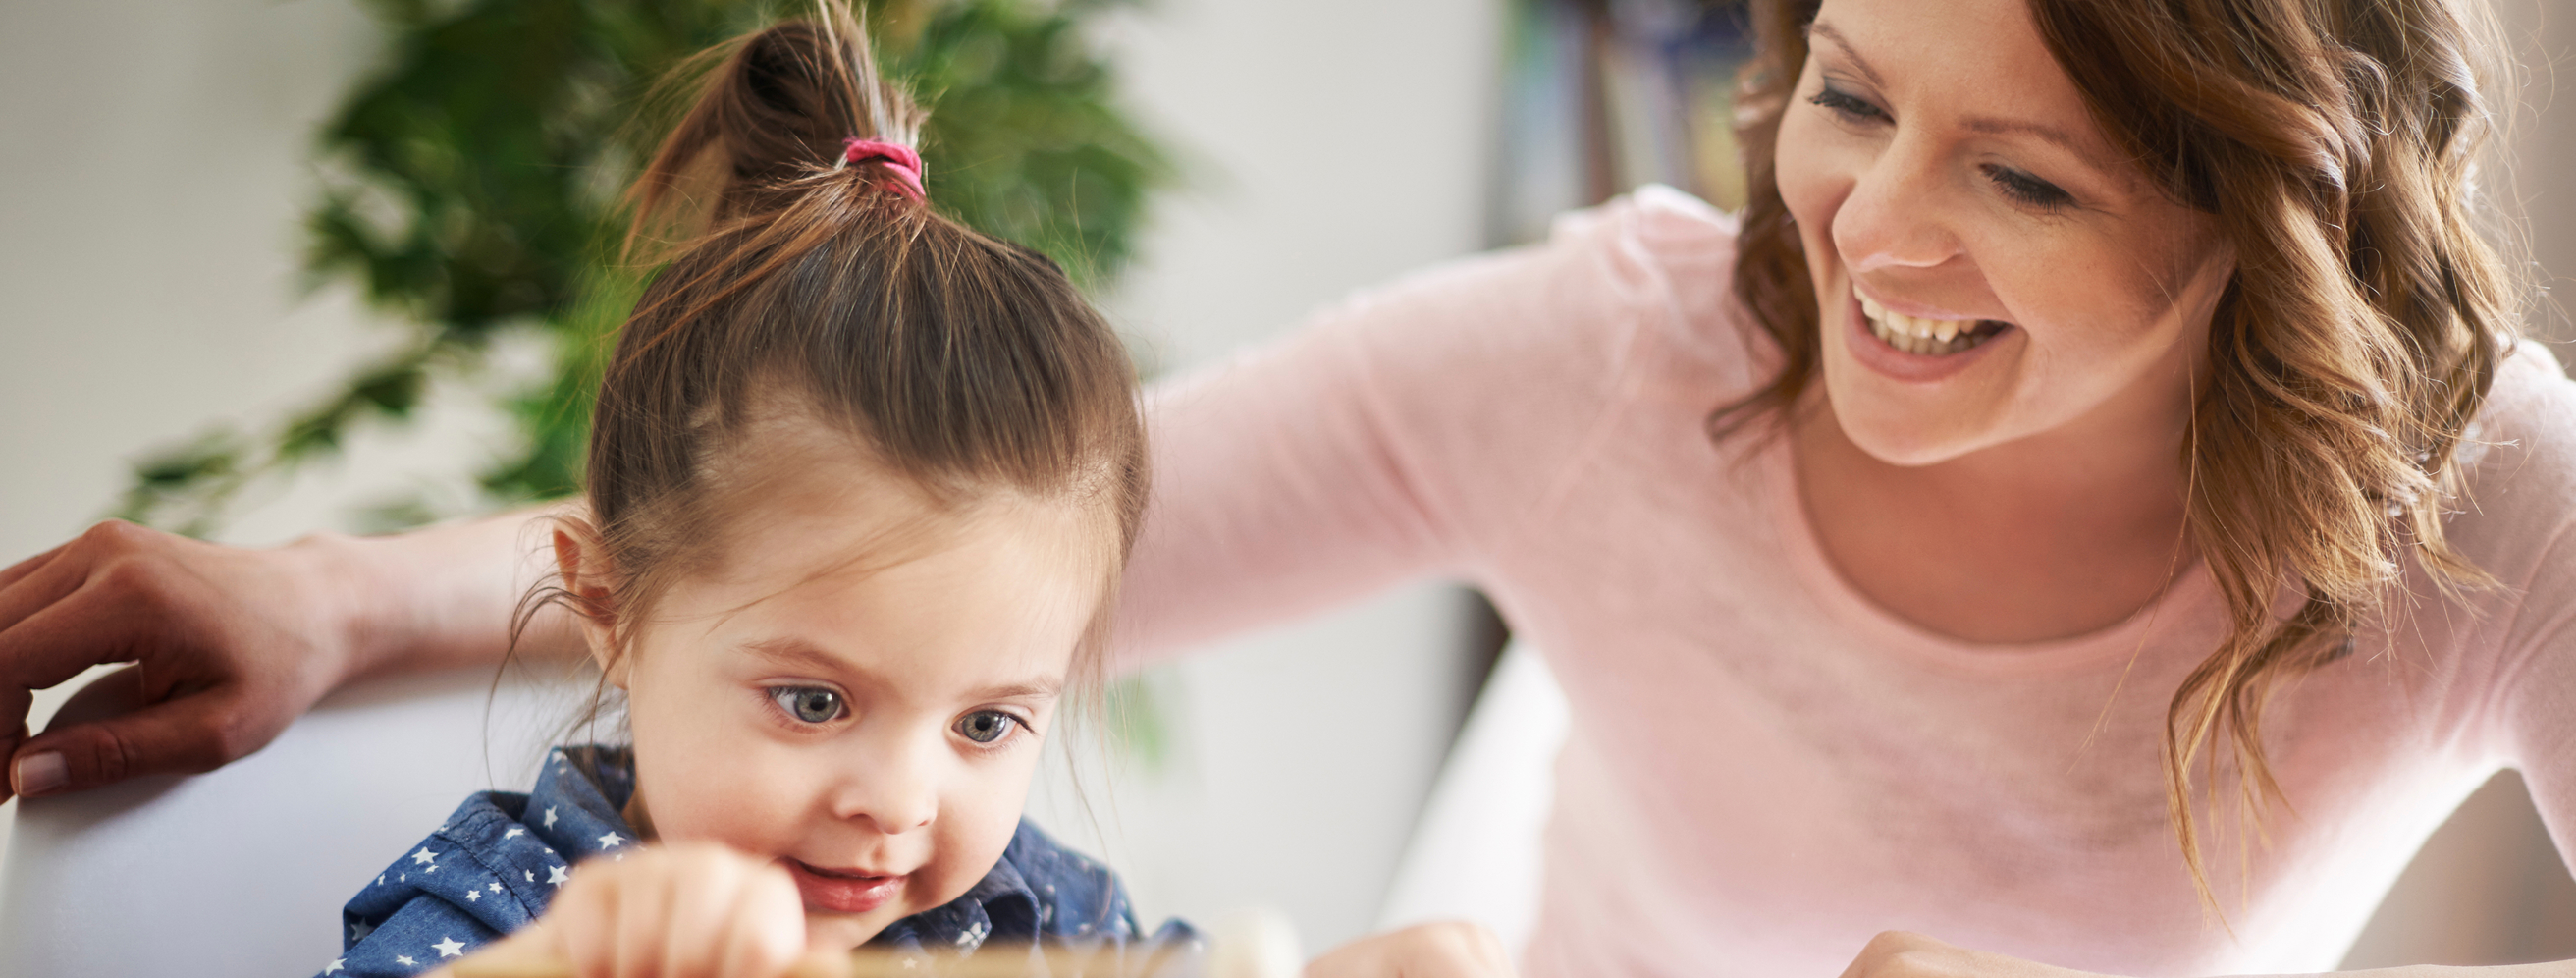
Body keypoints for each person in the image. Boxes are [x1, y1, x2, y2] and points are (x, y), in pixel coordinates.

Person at [2, 0, 2568, 976]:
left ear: (2273, 215)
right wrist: (338, 603)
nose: (1872, 238)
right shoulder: (1624, 349)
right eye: (1856, 101)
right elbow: (887, 541)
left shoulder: (2499, 521)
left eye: (2025, 179)